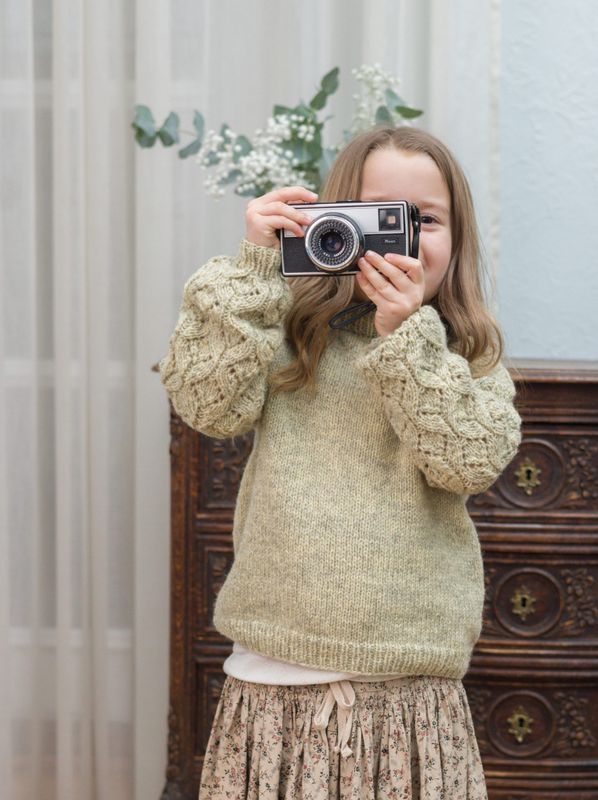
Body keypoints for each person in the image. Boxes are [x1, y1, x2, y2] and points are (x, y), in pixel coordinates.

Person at [158, 125, 522, 799]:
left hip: (411, 688)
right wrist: (253, 268)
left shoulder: (469, 359)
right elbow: (208, 406)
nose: (403, 237)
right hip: (274, 673)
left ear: (459, 240)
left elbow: (468, 461)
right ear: (330, 223)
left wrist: (406, 337)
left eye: (425, 220)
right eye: (381, 217)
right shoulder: (290, 335)